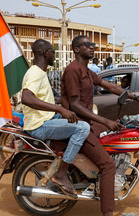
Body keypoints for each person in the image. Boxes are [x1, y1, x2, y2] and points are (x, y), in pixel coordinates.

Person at [61, 35, 139, 216]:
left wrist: (135, 97)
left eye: (92, 44)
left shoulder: (88, 71)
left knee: (121, 130)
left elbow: (110, 86)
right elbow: (75, 105)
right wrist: (104, 120)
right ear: (76, 49)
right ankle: (108, 213)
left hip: (88, 124)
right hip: (78, 127)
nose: (92, 47)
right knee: (107, 166)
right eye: (87, 45)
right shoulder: (73, 70)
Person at [21, 39, 90, 198]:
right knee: (83, 128)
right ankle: (61, 173)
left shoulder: (40, 72)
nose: (54, 56)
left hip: (47, 118)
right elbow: (26, 97)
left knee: (80, 118)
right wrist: (60, 109)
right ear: (46, 53)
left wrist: (63, 103)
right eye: (52, 52)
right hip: (40, 125)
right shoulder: (35, 73)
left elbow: (42, 98)